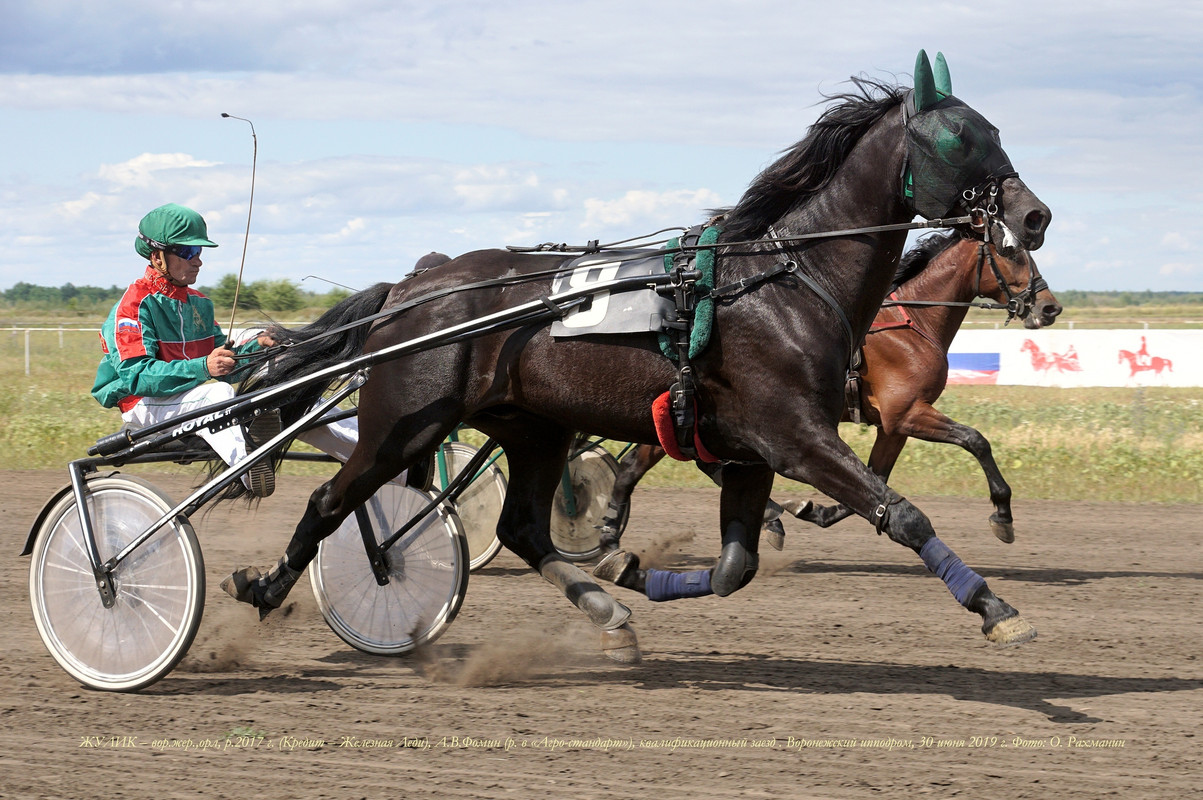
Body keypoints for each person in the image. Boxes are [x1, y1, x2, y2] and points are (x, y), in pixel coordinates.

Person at [91, 203, 368, 496]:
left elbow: (226, 368)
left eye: (199, 252)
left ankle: (374, 452)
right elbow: (136, 377)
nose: (197, 261)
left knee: (293, 390)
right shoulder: (133, 307)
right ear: (157, 256)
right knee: (218, 394)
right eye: (187, 252)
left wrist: (258, 347)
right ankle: (248, 471)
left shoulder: (199, 304)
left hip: (192, 403)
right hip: (145, 406)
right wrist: (203, 367)